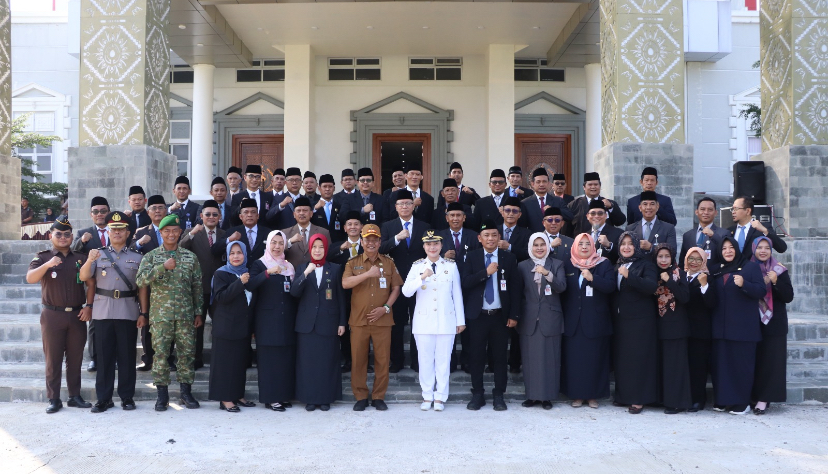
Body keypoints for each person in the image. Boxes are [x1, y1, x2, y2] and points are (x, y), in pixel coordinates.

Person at [79, 211, 147, 413]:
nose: (117, 232)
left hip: (128, 311)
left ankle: (127, 397)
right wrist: (90, 260)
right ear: (108, 232)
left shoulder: (137, 257)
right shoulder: (98, 254)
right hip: (103, 312)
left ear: (128, 233)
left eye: (121, 229)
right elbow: (84, 277)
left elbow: (142, 288)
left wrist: (144, 312)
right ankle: (104, 399)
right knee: (104, 358)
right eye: (113, 229)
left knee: (127, 357)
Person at [135, 214, 204, 412]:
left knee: (186, 354)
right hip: (161, 316)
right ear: (161, 232)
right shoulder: (151, 257)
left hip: (185, 316)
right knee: (161, 355)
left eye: (175, 230)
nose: (171, 234)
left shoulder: (190, 257)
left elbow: (197, 286)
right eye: (167, 231)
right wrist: (162, 267)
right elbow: (140, 281)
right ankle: (162, 395)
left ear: (180, 232)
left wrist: (198, 312)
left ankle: (185, 393)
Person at [26, 216, 94, 414]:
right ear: (51, 236)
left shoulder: (80, 258)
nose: (63, 237)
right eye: (59, 234)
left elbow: (90, 284)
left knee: (75, 358)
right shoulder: (43, 257)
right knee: (53, 359)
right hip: (52, 315)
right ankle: (54, 398)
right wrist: (48, 265)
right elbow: (30, 278)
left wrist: (89, 306)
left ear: (72, 237)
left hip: (76, 315)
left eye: (66, 234)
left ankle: (74, 396)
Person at [462, 219, 522, 411]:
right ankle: (477, 393)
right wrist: (485, 273)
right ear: (479, 238)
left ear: (499, 237)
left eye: (494, 235)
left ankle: (498, 394)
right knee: (476, 356)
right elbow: (465, 282)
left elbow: (515, 289)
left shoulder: (508, 258)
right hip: (478, 316)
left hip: (500, 316)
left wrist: (514, 315)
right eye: (486, 235)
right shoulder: (472, 257)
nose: (490, 238)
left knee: (499, 357)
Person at [402, 230, 465, 411]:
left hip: (446, 320)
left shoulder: (450, 266)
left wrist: (460, 320)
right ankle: (427, 395)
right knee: (425, 361)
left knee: (443, 361)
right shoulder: (417, 266)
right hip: (424, 321)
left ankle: (440, 397)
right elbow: (406, 292)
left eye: (435, 244)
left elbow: (457, 294)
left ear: (441, 245)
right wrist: (422, 277)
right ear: (424, 247)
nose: (432, 247)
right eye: (428, 244)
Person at [342, 224, 403, 411]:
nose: (371, 243)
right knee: (358, 360)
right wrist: (368, 274)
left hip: (382, 320)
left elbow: (396, 288)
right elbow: (345, 283)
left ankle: (378, 396)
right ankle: (360, 396)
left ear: (379, 242)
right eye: (367, 239)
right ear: (361, 242)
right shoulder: (353, 262)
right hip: (359, 320)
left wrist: (385, 308)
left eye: (374, 240)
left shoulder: (388, 262)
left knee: (382, 360)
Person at [710, 236, 766, 414]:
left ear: (737, 248)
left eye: (731, 247)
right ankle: (722, 401)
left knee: (741, 367)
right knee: (721, 367)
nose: (727, 251)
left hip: (743, 329)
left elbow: (761, 290)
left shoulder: (750, 267)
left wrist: (744, 284)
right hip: (721, 328)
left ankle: (742, 403)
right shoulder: (716, 270)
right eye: (724, 248)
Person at [291, 234, 346, 411]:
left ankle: (325, 398)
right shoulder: (301, 268)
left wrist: (342, 322)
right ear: (310, 248)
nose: (317, 250)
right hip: (307, 325)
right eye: (314, 247)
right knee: (307, 363)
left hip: (328, 322)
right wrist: (306, 273)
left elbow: (341, 298)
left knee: (326, 362)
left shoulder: (335, 268)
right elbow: (294, 292)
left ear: (326, 249)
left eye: (321, 247)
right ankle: (309, 398)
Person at [561, 233, 615, 409]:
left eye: (587, 244)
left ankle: (593, 396)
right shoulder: (568, 263)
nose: (584, 247)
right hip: (573, 321)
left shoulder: (603, 264)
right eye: (580, 244)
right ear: (575, 246)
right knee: (575, 361)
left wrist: (593, 279)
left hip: (595, 321)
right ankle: (576, 395)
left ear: (593, 246)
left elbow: (611, 286)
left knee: (594, 360)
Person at [247, 230, 298, 412]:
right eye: (274, 243)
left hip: (287, 321)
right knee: (269, 362)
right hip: (267, 322)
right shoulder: (259, 264)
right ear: (268, 244)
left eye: (280, 243)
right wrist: (268, 272)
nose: (277, 246)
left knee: (285, 360)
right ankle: (271, 398)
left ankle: (283, 396)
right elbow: (250, 284)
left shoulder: (289, 266)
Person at [379, 189, 428, 372]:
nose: (405, 207)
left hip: (419, 282)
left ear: (413, 206)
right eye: (401, 204)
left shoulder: (424, 226)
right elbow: (381, 249)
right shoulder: (388, 226)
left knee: (418, 322)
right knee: (397, 323)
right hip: (396, 283)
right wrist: (397, 238)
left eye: (408, 203)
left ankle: (417, 361)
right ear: (396, 207)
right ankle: (397, 361)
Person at [517, 233, 566, 409]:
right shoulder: (522, 266)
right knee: (530, 359)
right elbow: (518, 292)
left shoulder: (557, 264)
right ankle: (532, 396)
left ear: (548, 246)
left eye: (542, 244)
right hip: (529, 318)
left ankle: (547, 397)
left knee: (550, 359)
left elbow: (561, 287)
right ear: (530, 247)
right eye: (536, 245)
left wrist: (547, 273)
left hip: (550, 317)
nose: (539, 248)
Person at [613, 231, 660, 414]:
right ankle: (623, 396)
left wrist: (629, 276)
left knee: (639, 360)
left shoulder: (646, 264)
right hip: (622, 320)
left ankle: (638, 399)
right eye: (623, 244)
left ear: (636, 246)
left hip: (641, 321)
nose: (626, 247)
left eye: (630, 243)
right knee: (624, 359)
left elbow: (651, 287)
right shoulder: (617, 264)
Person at [179, 200, 226, 370]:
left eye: (215, 214)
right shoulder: (191, 232)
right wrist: (192, 233)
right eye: (208, 214)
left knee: (220, 325)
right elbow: (180, 248)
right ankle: (196, 359)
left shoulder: (224, 234)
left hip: (219, 288)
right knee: (196, 326)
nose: (211, 217)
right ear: (201, 216)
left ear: (219, 216)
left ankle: (219, 358)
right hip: (198, 287)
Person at [209, 241, 255, 413]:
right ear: (227, 256)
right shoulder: (221, 273)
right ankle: (225, 399)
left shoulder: (248, 273)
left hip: (242, 326)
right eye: (232, 253)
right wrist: (240, 282)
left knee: (239, 363)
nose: (236, 256)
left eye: (239, 253)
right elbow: (222, 297)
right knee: (224, 364)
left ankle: (238, 395)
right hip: (225, 326)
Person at [751, 236, 794, 415]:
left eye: (766, 248)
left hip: (774, 324)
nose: (763, 251)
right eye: (759, 247)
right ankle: (753, 396)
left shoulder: (779, 270)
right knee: (755, 362)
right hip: (753, 322)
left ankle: (764, 399)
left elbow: (788, 296)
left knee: (771, 362)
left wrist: (775, 281)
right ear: (753, 249)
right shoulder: (749, 268)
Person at [130, 194, 172, 372]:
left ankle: (169, 358)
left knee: (170, 322)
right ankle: (148, 358)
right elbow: (129, 250)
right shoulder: (141, 232)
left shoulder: (173, 229)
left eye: (161, 208)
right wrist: (139, 243)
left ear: (166, 210)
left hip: (170, 284)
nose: (157, 211)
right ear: (148, 212)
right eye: (154, 208)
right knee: (146, 319)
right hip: (148, 284)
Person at [438, 203, 480, 372]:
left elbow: (478, 259)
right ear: (446, 218)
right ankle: (450, 362)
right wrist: (442, 256)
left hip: (469, 287)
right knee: (448, 325)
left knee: (468, 325)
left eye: (458, 215)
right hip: (446, 288)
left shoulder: (474, 236)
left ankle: (467, 361)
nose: (455, 218)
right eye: (452, 215)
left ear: (464, 217)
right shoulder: (439, 236)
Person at [70, 195, 110, 373]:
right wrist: (82, 241)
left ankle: (114, 357)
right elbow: (71, 252)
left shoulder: (117, 230)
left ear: (108, 212)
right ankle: (94, 358)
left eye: (103, 211)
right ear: (91, 214)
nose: (100, 214)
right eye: (96, 212)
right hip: (93, 283)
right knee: (94, 322)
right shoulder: (83, 233)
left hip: (114, 282)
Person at [652, 244, 693, 414]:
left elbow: (685, 297)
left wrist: (669, 281)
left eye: (667, 256)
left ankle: (677, 402)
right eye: (660, 256)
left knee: (675, 367)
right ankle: (661, 399)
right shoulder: (651, 273)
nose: (663, 260)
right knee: (660, 366)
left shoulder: (679, 273)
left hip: (676, 327)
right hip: (656, 327)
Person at [329, 211, 366, 373]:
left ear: (362, 227)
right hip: (342, 294)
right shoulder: (336, 246)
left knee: (363, 328)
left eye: (356, 224)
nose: (353, 227)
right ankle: (348, 360)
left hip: (364, 293)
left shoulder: (367, 245)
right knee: (344, 328)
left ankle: (364, 361)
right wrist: (339, 249)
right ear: (344, 228)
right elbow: (325, 258)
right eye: (349, 224)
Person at [683, 246, 718, 412]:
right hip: (682, 329)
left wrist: (704, 285)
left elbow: (712, 303)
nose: (694, 262)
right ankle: (683, 397)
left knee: (698, 367)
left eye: (698, 259)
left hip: (700, 331)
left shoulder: (708, 278)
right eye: (691, 258)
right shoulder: (680, 276)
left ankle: (698, 399)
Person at [727, 196, 787, 262]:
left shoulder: (763, 227)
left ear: (748, 211)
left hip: (756, 267)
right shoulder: (729, 231)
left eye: (736, 209)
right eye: (732, 209)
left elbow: (782, 248)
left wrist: (765, 231)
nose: (733, 212)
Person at [567, 172, 626, 237]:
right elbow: (566, 230)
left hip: (605, 241)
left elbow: (620, 221)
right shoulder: (573, 205)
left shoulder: (609, 203)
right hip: (582, 241)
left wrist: (611, 207)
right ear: (584, 187)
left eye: (596, 184)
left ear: (600, 186)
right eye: (590, 184)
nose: (593, 187)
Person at [679, 197, 729, 270]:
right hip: (692, 275)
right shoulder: (688, 235)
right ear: (696, 212)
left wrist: (713, 235)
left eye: (710, 210)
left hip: (714, 275)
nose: (706, 212)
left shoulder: (723, 233)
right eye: (702, 209)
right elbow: (682, 261)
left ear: (715, 213)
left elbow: (727, 252)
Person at [282, 196, 331, 269]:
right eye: (298, 211)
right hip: (293, 273)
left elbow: (329, 255)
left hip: (316, 272)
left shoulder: (323, 232)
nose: (301, 213)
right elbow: (279, 253)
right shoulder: (285, 233)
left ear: (311, 213)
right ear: (294, 214)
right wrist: (289, 242)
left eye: (305, 210)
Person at [519, 167, 573, 233]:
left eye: (544, 181)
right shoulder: (525, 203)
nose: (541, 184)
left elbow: (569, 216)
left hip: (555, 238)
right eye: (538, 182)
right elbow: (522, 226)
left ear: (549, 183)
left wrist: (553, 210)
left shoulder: (558, 200)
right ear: (532, 184)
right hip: (534, 238)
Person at [625, 191, 677, 255]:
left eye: (652, 204)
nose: (648, 207)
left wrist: (651, 247)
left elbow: (672, 251)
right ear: (640, 208)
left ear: (657, 207)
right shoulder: (630, 229)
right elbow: (626, 251)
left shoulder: (668, 228)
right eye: (645, 204)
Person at [586, 199, 623, 265]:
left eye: (600, 213)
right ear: (587, 216)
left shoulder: (618, 233)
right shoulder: (584, 235)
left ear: (606, 216)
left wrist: (609, 246)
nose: (596, 216)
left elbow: (624, 255)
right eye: (593, 213)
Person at [310, 173, 344, 243]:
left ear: (334, 188)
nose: (327, 189)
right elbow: (307, 220)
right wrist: (315, 209)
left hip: (336, 243)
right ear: (319, 188)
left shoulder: (339, 205)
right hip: (318, 242)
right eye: (324, 186)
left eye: (330, 186)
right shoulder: (313, 205)